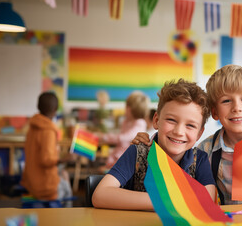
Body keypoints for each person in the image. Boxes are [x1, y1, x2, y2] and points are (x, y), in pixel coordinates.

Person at [132, 65, 242, 215]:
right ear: (214, 112)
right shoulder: (206, 149)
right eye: (226, 101)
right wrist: (149, 142)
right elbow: (175, 162)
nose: (237, 108)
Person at [92, 79, 216, 210]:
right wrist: (165, 201)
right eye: (171, 120)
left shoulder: (200, 160)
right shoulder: (136, 152)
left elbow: (208, 202)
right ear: (156, 121)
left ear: (199, 133)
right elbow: (100, 195)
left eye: (190, 125)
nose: (179, 132)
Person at [21, 92, 73, 207]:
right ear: (55, 109)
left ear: (38, 107)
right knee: (67, 190)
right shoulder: (48, 130)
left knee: (64, 174)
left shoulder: (32, 126)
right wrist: (65, 159)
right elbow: (47, 160)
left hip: (30, 181)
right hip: (44, 187)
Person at [100, 91, 149, 169]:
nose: (125, 109)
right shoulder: (126, 121)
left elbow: (124, 137)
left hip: (128, 158)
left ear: (130, 109)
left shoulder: (140, 123)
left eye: (126, 107)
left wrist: (106, 137)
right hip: (118, 155)